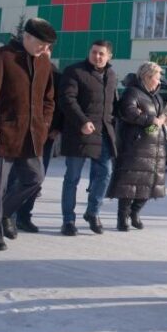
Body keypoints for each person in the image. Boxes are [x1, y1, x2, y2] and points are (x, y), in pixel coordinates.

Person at [0, 18, 57, 250]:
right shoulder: (2, 57)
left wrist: (44, 123)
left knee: (35, 179)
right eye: (41, 44)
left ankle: (3, 212)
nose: (45, 49)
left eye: (48, 46)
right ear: (27, 37)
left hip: (31, 137)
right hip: (2, 135)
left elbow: (49, 99)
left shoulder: (44, 63)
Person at [58, 40, 118, 236]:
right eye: (94, 52)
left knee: (105, 173)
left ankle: (93, 212)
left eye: (101, 53)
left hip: (103, 134)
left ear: (109, 56)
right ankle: (68, 220)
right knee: (72, 178)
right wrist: (82, 121)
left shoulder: (111, 75)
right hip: (79, 133)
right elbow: (67, 99)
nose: (97, 56)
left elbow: (113, 104)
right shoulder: (75, 71)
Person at [107, 62, 167, 231]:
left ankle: (135, 213)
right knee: (129, 184)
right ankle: (122, 217)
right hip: (135, 145)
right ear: (147, 77)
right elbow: (128, 112)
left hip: (155, 146)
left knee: (149, 184)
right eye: (157, 77)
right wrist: (151, 120)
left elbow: (160, 117)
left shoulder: (157, 97)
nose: (159, 81)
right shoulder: (132, 92)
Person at [4, 46, 62, 236]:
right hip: (22, 135)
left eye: (46, 49)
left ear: (50, 52)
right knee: (16, 177)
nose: (42, 52)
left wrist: (55, 128)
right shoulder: (21, 69)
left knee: (37, 179)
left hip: (45, 136)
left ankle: (24, 216)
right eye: (39, 48)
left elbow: (58, 103)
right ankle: (8, 216)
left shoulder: (55, 74)